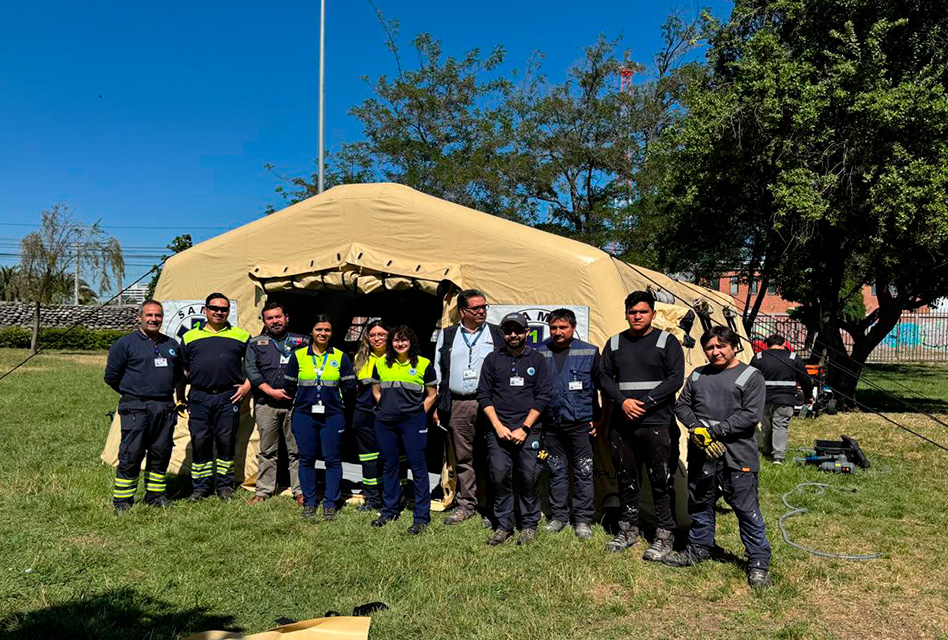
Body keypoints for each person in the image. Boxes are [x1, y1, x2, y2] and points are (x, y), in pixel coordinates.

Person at [664, 326, 772, 590]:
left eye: (720, 346)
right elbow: (682, 406)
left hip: (738, 456)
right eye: (710, 347)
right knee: (700, 503)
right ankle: (700, 548)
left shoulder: (750, 375)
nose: (715, 352)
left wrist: (713, 432)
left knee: (746, 509)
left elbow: (749, 416)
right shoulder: (698, 375)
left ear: (734, 346)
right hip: (703, 455)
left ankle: (758, 562)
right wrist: (697, 430)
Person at [599, 290, 684, 561]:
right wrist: (623, 402)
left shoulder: (666, 342)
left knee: (661, 480)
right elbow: (604, 378)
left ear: (653, 314)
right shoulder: (613, 344)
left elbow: (675, 379)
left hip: (657, 423)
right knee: (626, 478)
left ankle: (664, 534)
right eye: (633, 312)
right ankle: (628, 530)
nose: (637, 316)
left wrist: (645, 402)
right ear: (626, 314)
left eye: (643, 312)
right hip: (622, 424)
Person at [477, 312, 552, 546]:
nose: (513, 335)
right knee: (499, 476)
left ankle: (529, 525)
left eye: (518, 330)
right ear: (502, 334)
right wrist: (498, 427)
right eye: (508, 331)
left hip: (529, 431)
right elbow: (483, 395)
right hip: (498, 431)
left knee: (528, 477)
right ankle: (504, 525)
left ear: (527, 333)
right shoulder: (492, 359)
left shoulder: (538, 360)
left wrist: (524, 428)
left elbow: (543, 397)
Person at [104, 300, 185, 512]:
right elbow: (111, 377)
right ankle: (123, 501)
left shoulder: (171, 345)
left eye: (158, 315)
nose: (153, 319)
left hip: (165, 408)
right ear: (139, 317)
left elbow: (178, 376)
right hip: (136, 408)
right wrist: (134, 392)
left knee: (161, 453)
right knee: (132, 454)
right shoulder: (125, 344)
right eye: (149, 315)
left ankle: (155, 496)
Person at [434, 289, 504, 525]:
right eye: (476, 308)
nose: (482, 311)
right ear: (463, 311)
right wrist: (438, 405)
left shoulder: (496, 334)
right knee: (464, 457)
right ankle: (467, 505)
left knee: (493, 456)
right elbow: (438, 371)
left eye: (484, 307)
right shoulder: (448, 335)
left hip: (490, 405)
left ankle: (493, 505)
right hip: (459, 404)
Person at [536, 309, 602, 540]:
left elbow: (601, 388)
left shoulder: (590, 352)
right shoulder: (540, 353)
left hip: (580, 424)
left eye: (562, 327)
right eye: (554, 328)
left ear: (573, 328)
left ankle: (583, 519)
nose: (558, 332)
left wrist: (598, 418)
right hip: (552, 425)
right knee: (556, 472)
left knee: (583, 472)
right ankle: (559, 517)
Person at [283, 315, 356, 520]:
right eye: (319, 330)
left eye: (327, 330)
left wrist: (336, 401)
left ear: (331, 333)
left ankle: (330, 502)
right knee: (306, 458)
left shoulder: (341, 357)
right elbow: (289, 385)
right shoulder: (298, 357)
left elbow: (349, 387)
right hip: (304, 415)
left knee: (332, 459)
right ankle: (310, 501)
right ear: (311, 332)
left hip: (332, 416)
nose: (323, 334)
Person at [180, 293, 251, 501]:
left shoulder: (241, 336)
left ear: (228, 312)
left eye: (223, 309)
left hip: (228, 398)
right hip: (199, 398)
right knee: (200, 441)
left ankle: (224, 486)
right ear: (205, 310)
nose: (219, 312)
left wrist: (247, 387)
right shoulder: (189, 337)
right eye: (214, 308)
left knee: (226, 442)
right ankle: (200, 487)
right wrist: (180, 398)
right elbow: (182, 371)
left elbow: (255, 367)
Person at [369, 325, 438, 534]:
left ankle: (421, 516)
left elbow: (432, 394)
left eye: (404, 340)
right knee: (389, 465)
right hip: (385, 422)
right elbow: (376, 390)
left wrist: (418, 413)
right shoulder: (380, 363)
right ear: (391, 343)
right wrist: (386, 408)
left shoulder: (424, 364)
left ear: (412, 342)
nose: (400, 344)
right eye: (396, 340)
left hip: (412, 423)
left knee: (417, 467)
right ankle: (389, 511)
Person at [245, 301, 309, 506]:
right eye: (270, 318)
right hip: (266, 404)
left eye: (278, 317)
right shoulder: (255, 343)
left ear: (286, 318)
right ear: (264, 321)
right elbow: (252, 371)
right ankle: (263, 491)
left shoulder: (303, 341)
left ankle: (300, 491)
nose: (275, 321)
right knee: (267, 451)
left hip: (295, 405)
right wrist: (269, 390)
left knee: (297, 451)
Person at [750, 333, 813, 464]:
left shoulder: (758, 357)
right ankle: (778, 456)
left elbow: (750, 378)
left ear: (767, 344)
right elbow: (805, 379)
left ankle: (767, 450)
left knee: (766, 425)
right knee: (780, 426)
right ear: (784, 344)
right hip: (785, 399)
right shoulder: (792, 357)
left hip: (764, 399)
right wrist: (808, 396)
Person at [352, 319, 389, 511]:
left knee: (391, 457)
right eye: (372, 335)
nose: (377, 339)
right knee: (368, 458)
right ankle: (372, 499)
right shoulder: (361, 357)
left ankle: (392, 498)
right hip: (364, 414)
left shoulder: (397, 357)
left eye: (381, 334)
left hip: (388, 415)